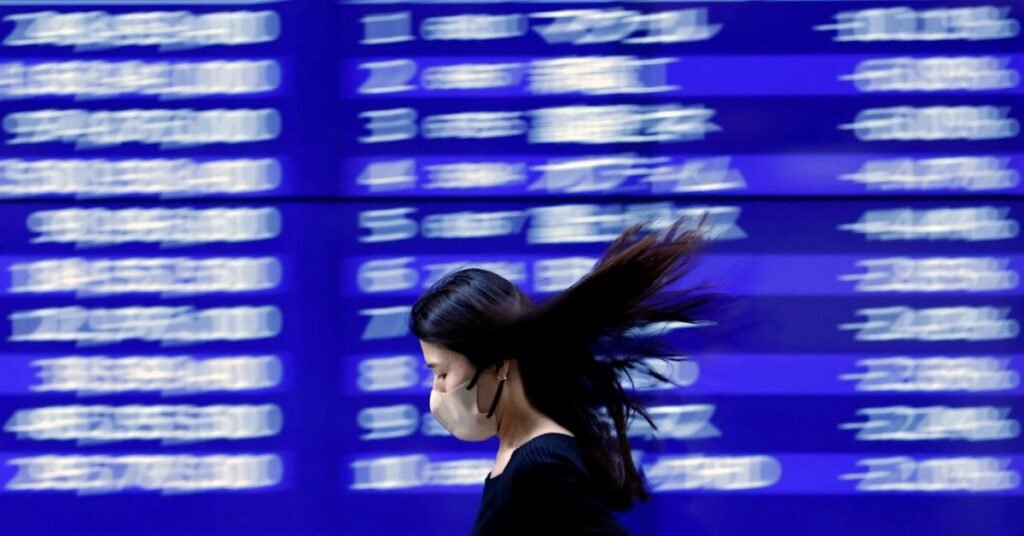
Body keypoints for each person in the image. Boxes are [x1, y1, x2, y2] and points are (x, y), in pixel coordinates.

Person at [410, 214, 732, 535]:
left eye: (442, 374)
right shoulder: (520, 456)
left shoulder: (540, 465)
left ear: (498, 363)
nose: (437, 393)